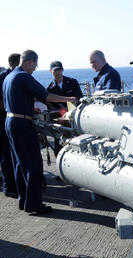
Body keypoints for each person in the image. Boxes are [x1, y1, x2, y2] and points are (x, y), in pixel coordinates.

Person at [2, 49, 78, 215]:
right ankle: (34, 204)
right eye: (35, 64)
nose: (35, 68)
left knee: (20, 163)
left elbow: (17, 98)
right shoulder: (23, 76)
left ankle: (24, 201)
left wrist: (29, 107)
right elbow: (46, 96)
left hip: (10, 121)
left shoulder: (9, 77)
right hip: (22, 123)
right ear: (29, 61)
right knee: (34, 164)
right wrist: (68, 99)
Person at [46, 61, 83, 156]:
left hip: (74, 117)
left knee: (76, 141)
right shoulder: (50, 88)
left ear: (62, 70)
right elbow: (49, 104)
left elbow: (79, 99)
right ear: (51, 71)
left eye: (59, 70)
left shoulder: (72, 82)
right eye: (55, 71)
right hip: (60, 120)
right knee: (59, 143)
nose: (58, 73)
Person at [0, 53, 20, 199]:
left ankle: (11, 185)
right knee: (6, 154)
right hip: (3, 119)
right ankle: (9, 187)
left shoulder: (5, 76)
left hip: (5, 119)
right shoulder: (6, 77)